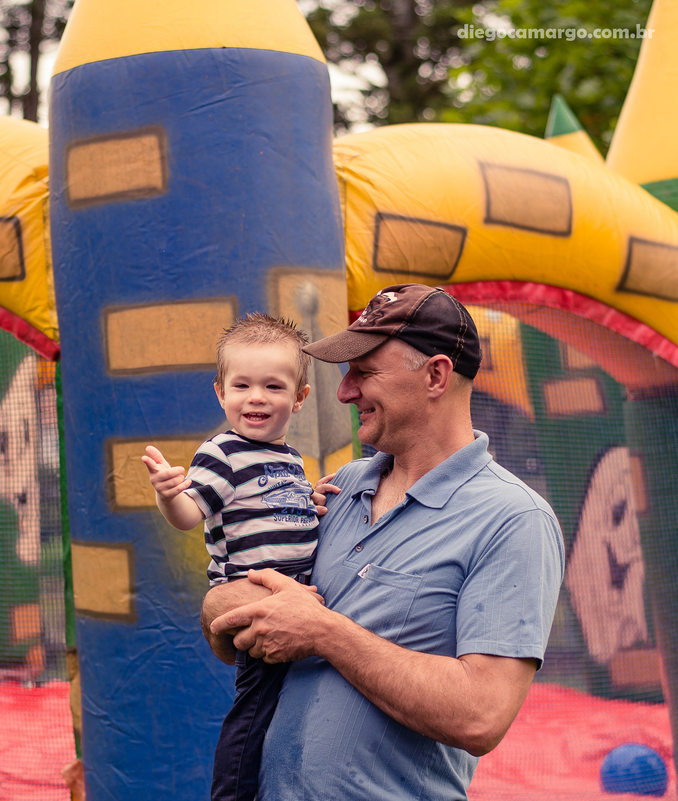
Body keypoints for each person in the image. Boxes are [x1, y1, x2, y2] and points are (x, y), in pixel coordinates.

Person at [203, 284, 565, 800]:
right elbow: (236, 628)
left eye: (364, 372)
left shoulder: (513, 519)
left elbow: (481, 716)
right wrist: (225, 601)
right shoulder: (339, 488)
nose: (344, 391)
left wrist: (325, 633)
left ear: (436, 375)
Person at [142, 312, 322, 801]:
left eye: (273, 386)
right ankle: (232, 794)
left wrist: (314, 500)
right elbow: (188, 513)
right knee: (257, 707)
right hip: (257, 603)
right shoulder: (222, 452)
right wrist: (167, 494)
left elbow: (283, 516)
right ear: (221, 393)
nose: (256, 397)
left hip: (296, 605)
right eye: (242, 385)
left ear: (299, 399)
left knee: (291, 710)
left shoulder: (290, 460)